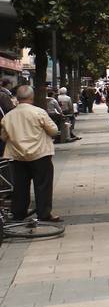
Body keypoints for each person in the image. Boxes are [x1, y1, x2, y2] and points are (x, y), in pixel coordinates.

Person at [1, 85, 61, 222]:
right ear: (31, 97)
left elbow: (4, 136)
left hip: (18, 156)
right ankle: (44, 213)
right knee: (43, 185)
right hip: (40, 154)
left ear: (17, 98)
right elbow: (53, 130)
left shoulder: (9, 116)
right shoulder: (39, 112)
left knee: (21, 186)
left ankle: (19, 213)